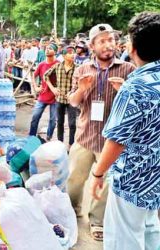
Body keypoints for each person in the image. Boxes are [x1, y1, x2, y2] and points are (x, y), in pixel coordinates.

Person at [90, 12, 160, 250]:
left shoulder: (135, 86)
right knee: (150, 229)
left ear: (135, 48)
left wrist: (98, 174)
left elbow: (117, 141)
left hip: (133, 179)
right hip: (155, 177)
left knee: (124, 238)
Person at [67, 23, 136, 241]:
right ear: (92, 46)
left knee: (104, 183)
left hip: (111, 140)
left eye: (111, 40)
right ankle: (71, 210)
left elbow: (135, 106)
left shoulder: (128, 70)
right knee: (75, 178)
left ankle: (97, 220)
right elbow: (72, 101)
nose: (108, 45)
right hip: (85, 135)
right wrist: (82, 89)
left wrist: (123, 91)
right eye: (102, 41)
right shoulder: (82, 69)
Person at [44, 46, 78, 146]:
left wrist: (73, 92)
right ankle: (60, 144)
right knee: (60, 123)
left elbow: (80, 82)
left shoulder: (77, 68)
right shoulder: (57, 66)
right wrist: (53, 88)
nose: (73, 54)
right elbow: (46, 75)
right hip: (59, 99)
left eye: (74, 52)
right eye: (70, 52)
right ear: (63, 56)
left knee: (72, 124)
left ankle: (71, 144)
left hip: (72, 100)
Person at [29, 43, 59, 141]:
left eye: (50, 48)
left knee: (53, 120)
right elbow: (34, 75)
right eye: (46, 48)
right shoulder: (42, 64)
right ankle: (31, 137)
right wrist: (35, 87)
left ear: (55, 51)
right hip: (43, 95)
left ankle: (48, 137)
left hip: (55, 96)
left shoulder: (58, 64)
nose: (47, 50)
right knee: (35, 117)